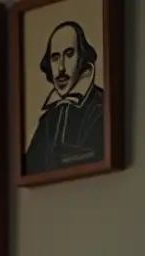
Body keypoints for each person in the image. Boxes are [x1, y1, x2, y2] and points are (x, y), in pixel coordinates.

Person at [24, 20, 105, 175]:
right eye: (55, 58)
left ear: (82, 57)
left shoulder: (101, 107)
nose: (61, 68)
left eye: (69, 55)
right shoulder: (47, 120)